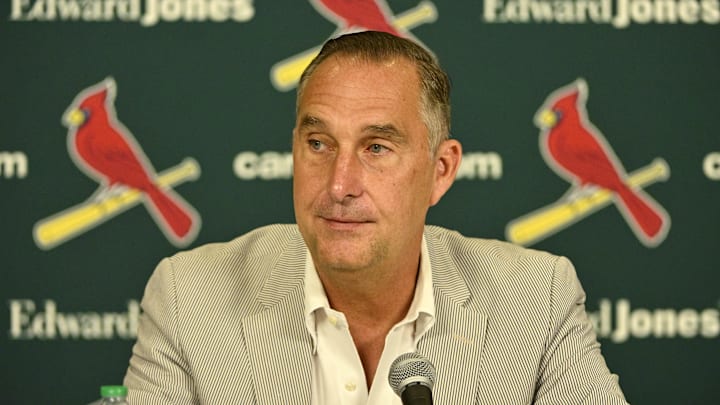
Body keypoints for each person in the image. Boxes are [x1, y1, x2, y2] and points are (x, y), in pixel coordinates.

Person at [124, 31, 629, 404]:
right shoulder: (189, 300)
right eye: (318, 144)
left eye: (377, 147)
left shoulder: (535, 302)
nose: (339, 184)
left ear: (441, 170)